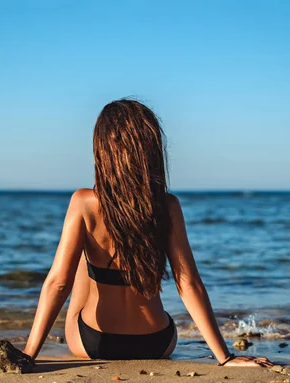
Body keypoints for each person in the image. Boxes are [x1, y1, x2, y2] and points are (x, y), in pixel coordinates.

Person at [22, 99, 271, 367]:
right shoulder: (168, 206)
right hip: (157, 342)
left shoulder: (84, 202)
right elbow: (189, 284)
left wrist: (27, 356)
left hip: (96, 342)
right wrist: (225, 357)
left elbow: (58, 283)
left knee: (84, 253)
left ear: (103, 150)